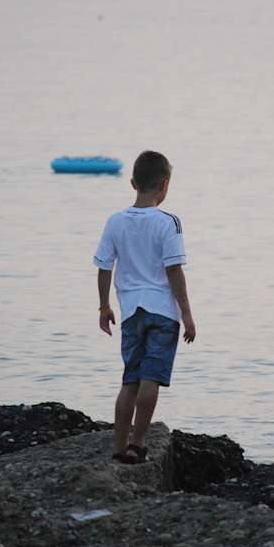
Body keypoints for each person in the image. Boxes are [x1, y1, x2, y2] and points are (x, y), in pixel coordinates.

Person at [94, 150, 196, 464]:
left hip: (131, 312)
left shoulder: (115, 221)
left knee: (130, 380)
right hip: (163, 313)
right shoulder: (169, 222)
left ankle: (118, 446)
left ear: (133, 182)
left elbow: (103, 267)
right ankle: (138, 444)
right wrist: (188, 314)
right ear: (165, 184)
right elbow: (174, 270)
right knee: (150, 379)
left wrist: (103, 307)